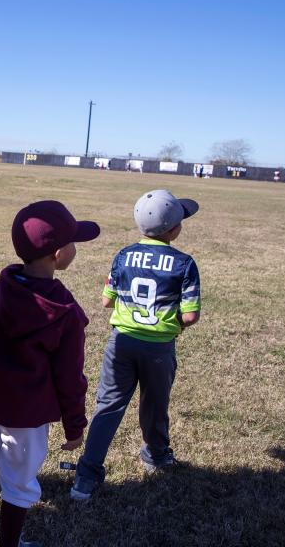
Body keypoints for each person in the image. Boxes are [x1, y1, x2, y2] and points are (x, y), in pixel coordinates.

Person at [0, 202, 98, 546]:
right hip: (28, 416)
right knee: (20, 482)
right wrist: (75, 425)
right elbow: (70, 380)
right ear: (57, 254)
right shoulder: (65, 313)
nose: (74, 248)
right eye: (72, 243)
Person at [70, 189, 201, 501]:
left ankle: (85, 477)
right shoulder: (184, 263)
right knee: (155, 404)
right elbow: (191, 315)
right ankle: (156, 455)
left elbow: (105, 301)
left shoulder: (124, 255)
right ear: (175, 229)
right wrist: (173, 326)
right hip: (158, 349)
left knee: (109, 405)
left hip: (122, 343)